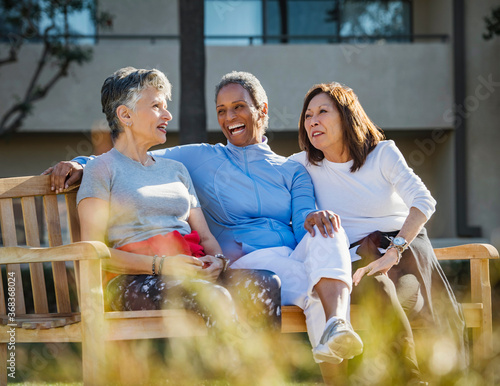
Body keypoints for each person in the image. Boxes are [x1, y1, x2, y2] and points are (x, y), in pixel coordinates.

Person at [44, 71, 362, 366]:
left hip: (229, 264)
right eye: (221, 109)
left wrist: (217, 259)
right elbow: (96, 235)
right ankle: (264, 366)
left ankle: (328, 328)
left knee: (295, 263)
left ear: (262, 110)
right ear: (126, 114)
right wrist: (79, 163)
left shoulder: (285, 170)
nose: (228, 117)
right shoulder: (196, 157)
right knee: (309, 290)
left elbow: (298, 219)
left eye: (238, 106)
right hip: (149, 273)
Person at [76, 67, 278, 333]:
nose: (167, 115)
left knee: (267, 282)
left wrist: (217, 261)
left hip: (187, 271)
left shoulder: (175, 170)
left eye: (166, 106)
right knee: (213, 296)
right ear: (125, 115)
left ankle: (262, 373)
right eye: (157, 106)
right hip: (132, 280)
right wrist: (162, 265)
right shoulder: (102, 169)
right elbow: (92, 252)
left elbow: (205, 238)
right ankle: (237, 371)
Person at [290, 82, 468, 382]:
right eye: (308, 115)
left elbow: (424, 201)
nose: (312, 121)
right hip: (354, 259)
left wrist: (395, 250)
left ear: (346, 117)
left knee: (397, 296)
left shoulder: (382, 154)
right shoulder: (301, 165)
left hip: (402, 251)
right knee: (376, 287)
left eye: (322, 112)